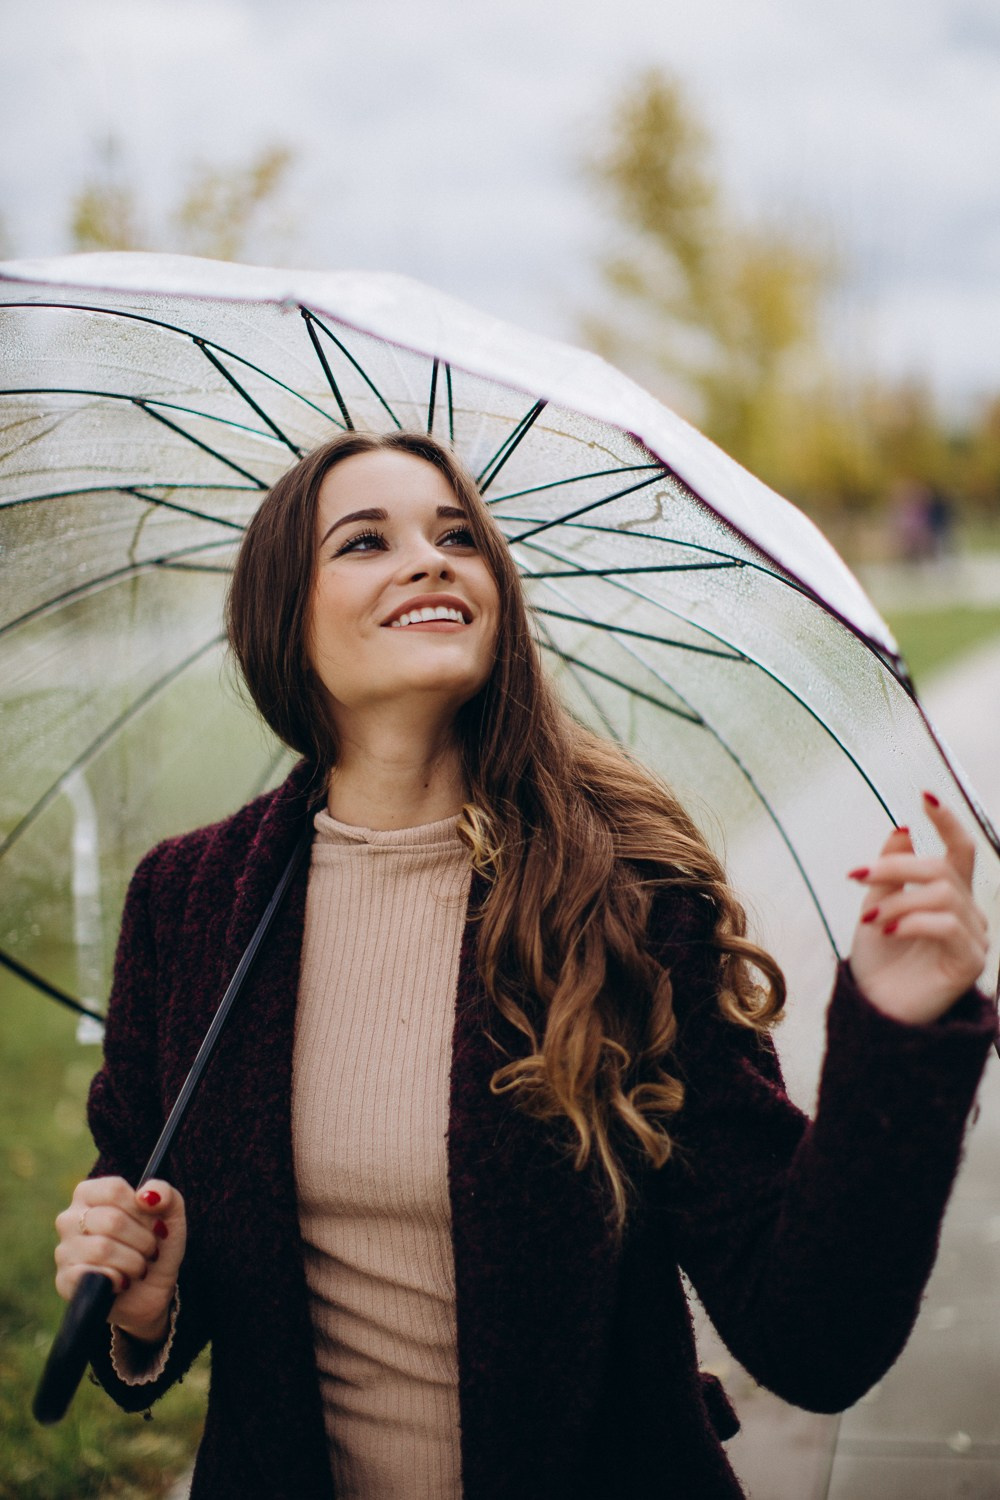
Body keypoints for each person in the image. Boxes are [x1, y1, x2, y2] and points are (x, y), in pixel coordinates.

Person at [53, 430, 995, 1500]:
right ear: (281, 617)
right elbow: (144, 1201)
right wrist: (140, 1304)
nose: (432, 558)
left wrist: (900, 1031)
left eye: (459, 536)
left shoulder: (624, 898)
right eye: (367, 540)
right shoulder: (188, 906)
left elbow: (810, 1334)